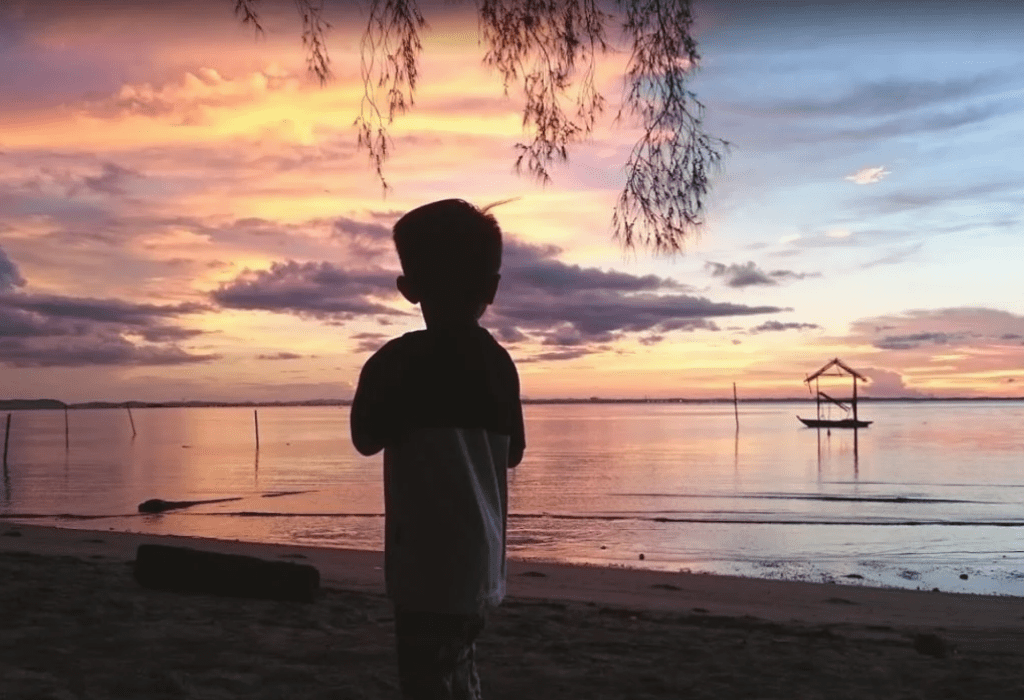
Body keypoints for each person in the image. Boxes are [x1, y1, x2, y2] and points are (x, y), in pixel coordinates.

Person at [350, 198, 526, 700]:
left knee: (426, 680)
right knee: (458, 667)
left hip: (422, 569)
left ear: (408, 289)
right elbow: (512, 454)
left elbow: (365, 440)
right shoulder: (498, 364)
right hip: (479, 565)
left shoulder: (395, 362)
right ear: (491, 289)